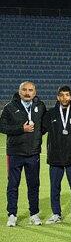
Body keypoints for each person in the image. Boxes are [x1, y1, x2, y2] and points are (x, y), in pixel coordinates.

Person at [1, 81, 46, 227]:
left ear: (35, 92)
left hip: (33, 153)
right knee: (13, 185)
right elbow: (2, 127)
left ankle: (34, 214)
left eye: (30, 90)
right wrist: (21, 129)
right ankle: (12, 214)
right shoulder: (10, 107)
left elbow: (44, 125)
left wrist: (36, 136)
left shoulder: (40, 106)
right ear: (19, 91)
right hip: (15, 153)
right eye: (24, 90)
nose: (27, 93)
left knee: (34, 185)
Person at [42, 86, 71, 224]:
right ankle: (56, 214)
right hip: (55, 157)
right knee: (55, 188)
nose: (64, 98)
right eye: (62, 95)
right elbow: (40, 130)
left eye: (67, 95)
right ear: (57, 97)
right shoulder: (50, 114)